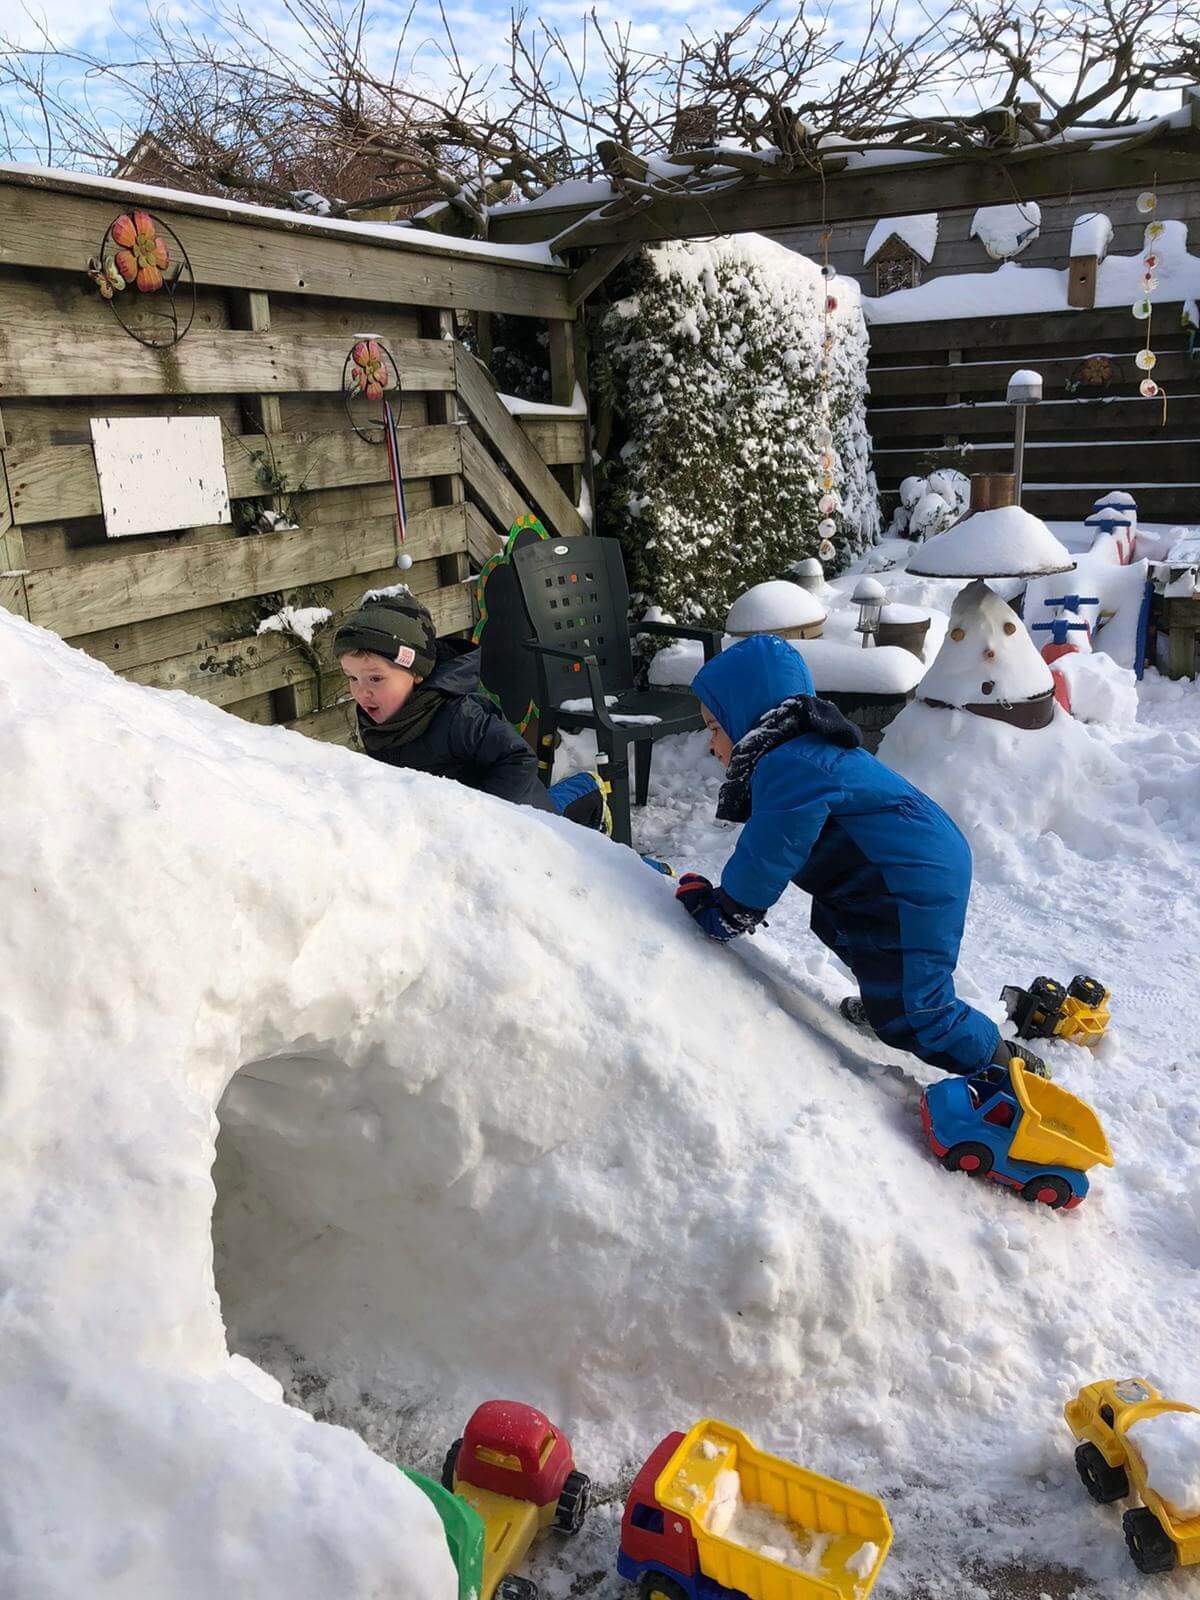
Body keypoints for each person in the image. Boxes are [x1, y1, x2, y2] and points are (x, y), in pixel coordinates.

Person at [674, 633, 1049, 1079]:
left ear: (745, 718)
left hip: (911, 878)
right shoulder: (802, 751)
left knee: (917, 1011)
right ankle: (884, 996)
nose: (711, 744)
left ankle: (1004, 1067)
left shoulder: (790, 763)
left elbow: (771, 850)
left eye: (715, 728)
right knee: (839, 925)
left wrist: (729, 908)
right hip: (903, 868)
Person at [334, 593, 610, 830]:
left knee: (569, 833)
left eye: (375, 679)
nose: (361, 692)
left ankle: (588, 791)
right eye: (352, 678)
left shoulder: (458, 717)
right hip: (456, 824)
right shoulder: (380, 716)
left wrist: (482, 818)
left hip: (516, 824)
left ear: (415, 673)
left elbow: (517, 758)